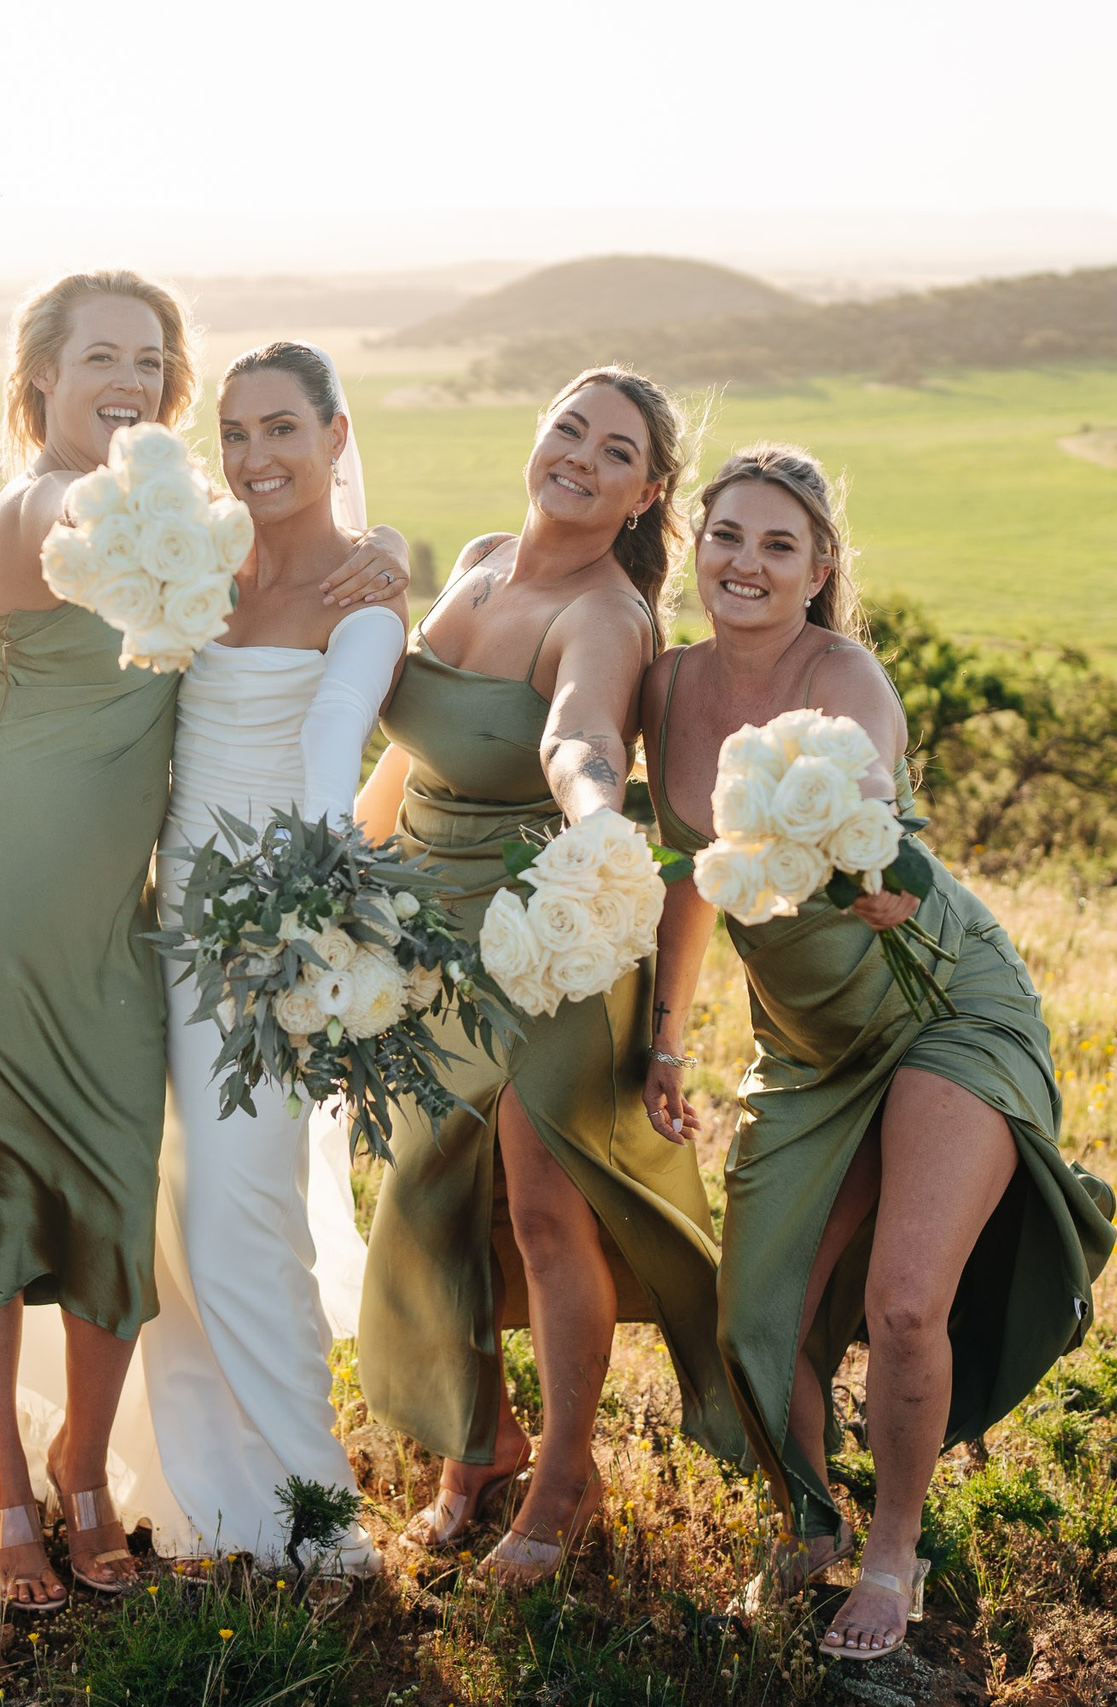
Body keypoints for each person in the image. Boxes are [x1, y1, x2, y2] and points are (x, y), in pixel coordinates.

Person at [0, 273, 408, 1610]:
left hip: (129, 909)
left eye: (149, 358)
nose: (125, 377)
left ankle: (87, 1457)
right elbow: (82, 513)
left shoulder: (202, 530)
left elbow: (301, 597)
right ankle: (7, 1484)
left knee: (116, 1186)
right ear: (37, 375)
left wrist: (376, 553)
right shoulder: (56, 504)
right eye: (97, 355)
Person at [640, 443, 1115, 1661]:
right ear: (696, 547)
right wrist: (665, 1042)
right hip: (807, 1046)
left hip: (940, 1002)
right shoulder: (664, 686)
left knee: (907, 1303)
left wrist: (876, 871)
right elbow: (693, 882)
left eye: (776, 545)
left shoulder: (843, 675)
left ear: (818, 570)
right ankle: (805, 1522)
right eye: (726, 536)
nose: (744, 563)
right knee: (754, 1317)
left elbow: (868, 797)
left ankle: (889, 1552)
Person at [354, 366, 740, 1590]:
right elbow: (406, 758)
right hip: (419, 932)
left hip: (543, 938)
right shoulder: (474, 557)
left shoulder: (609, 615)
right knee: (432, 1195)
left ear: (646, 492)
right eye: (566, 427)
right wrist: (331, 883)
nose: (577, 455)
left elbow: (578, 737)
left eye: (612, 448)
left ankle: (566, 1472)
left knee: (539, 1206)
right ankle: (480, 1445)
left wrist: (591, 813)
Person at [133, 340, 406, 1571]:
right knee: (165, 1207)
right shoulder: (201, 568)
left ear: (336, 435)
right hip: (148, 921)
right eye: (235, 434)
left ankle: (316, 1514)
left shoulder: (366, 592)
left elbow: (333, 740)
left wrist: (304, 905)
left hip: (265, 935)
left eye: (282, 429)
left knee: (245, 1212)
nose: (254, 458)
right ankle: (198, 1499)